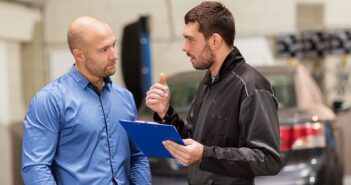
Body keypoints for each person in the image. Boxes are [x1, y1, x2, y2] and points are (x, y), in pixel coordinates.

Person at [146, 1, 281, 185]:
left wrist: (205, 154)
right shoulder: (207, 82)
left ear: (215, 41)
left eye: (190, 39)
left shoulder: (252, 86)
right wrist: (165, 112)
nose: (184, 47)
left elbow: (267, 159)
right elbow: (192, 140)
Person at [21, 16, 151, 185]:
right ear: (79, 55)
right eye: (103, 50)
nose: (114, 56)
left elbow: (138, 157)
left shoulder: (125, 97)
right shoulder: (49, 100)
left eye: (113, 45)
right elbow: (35, 168)